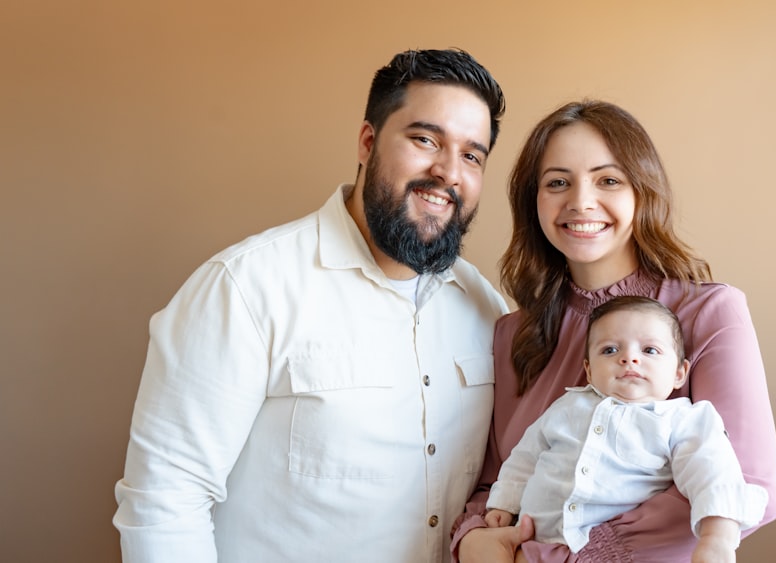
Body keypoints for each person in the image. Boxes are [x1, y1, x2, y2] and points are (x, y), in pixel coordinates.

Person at [113, 48, 509, 563]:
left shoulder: (487, 306)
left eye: (472, 156)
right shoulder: (246, 287)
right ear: (368, 142)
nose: (448, 172)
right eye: (425, 139)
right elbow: (164, 500)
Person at [452, 100, 776, 562]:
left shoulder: (708, 311)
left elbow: (749, 483)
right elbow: (494, 480)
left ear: (641, 192)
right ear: (534, 202)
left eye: (608, 180)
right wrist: (472, 540)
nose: (581, 201)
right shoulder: (513, 333)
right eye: (558, 182)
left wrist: (572, 556)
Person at [483, 296, 768, 562]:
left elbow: (712, 472)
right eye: (610, 350)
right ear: (590, 370)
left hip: (604, 551)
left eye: (649, 350)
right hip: (530, 544)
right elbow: (526, 457)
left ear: (679, 372)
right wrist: (503, 504)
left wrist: (717, 536)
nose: (629, 358)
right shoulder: (566, 407)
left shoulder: (682, 420)